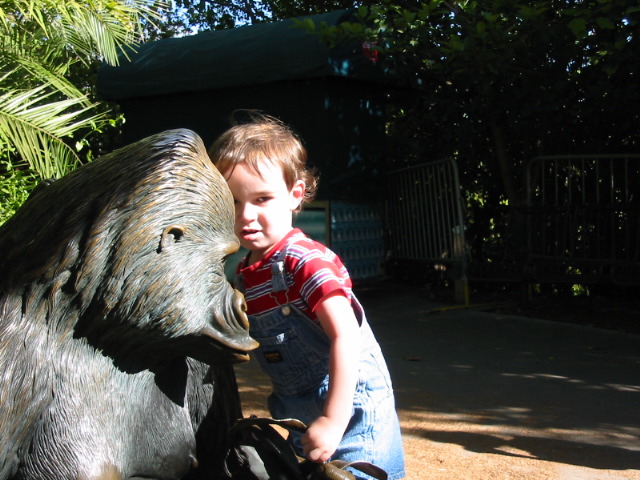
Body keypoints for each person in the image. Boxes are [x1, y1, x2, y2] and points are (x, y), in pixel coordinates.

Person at [209, 113, 405, 480]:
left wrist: (334, 419)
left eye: (262, 198)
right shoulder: (245, 272)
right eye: (233, 201)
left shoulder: (305, 261)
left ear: (295, 194)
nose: (246, 215)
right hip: (299, 413)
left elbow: (345, 335)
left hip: (354, 412)